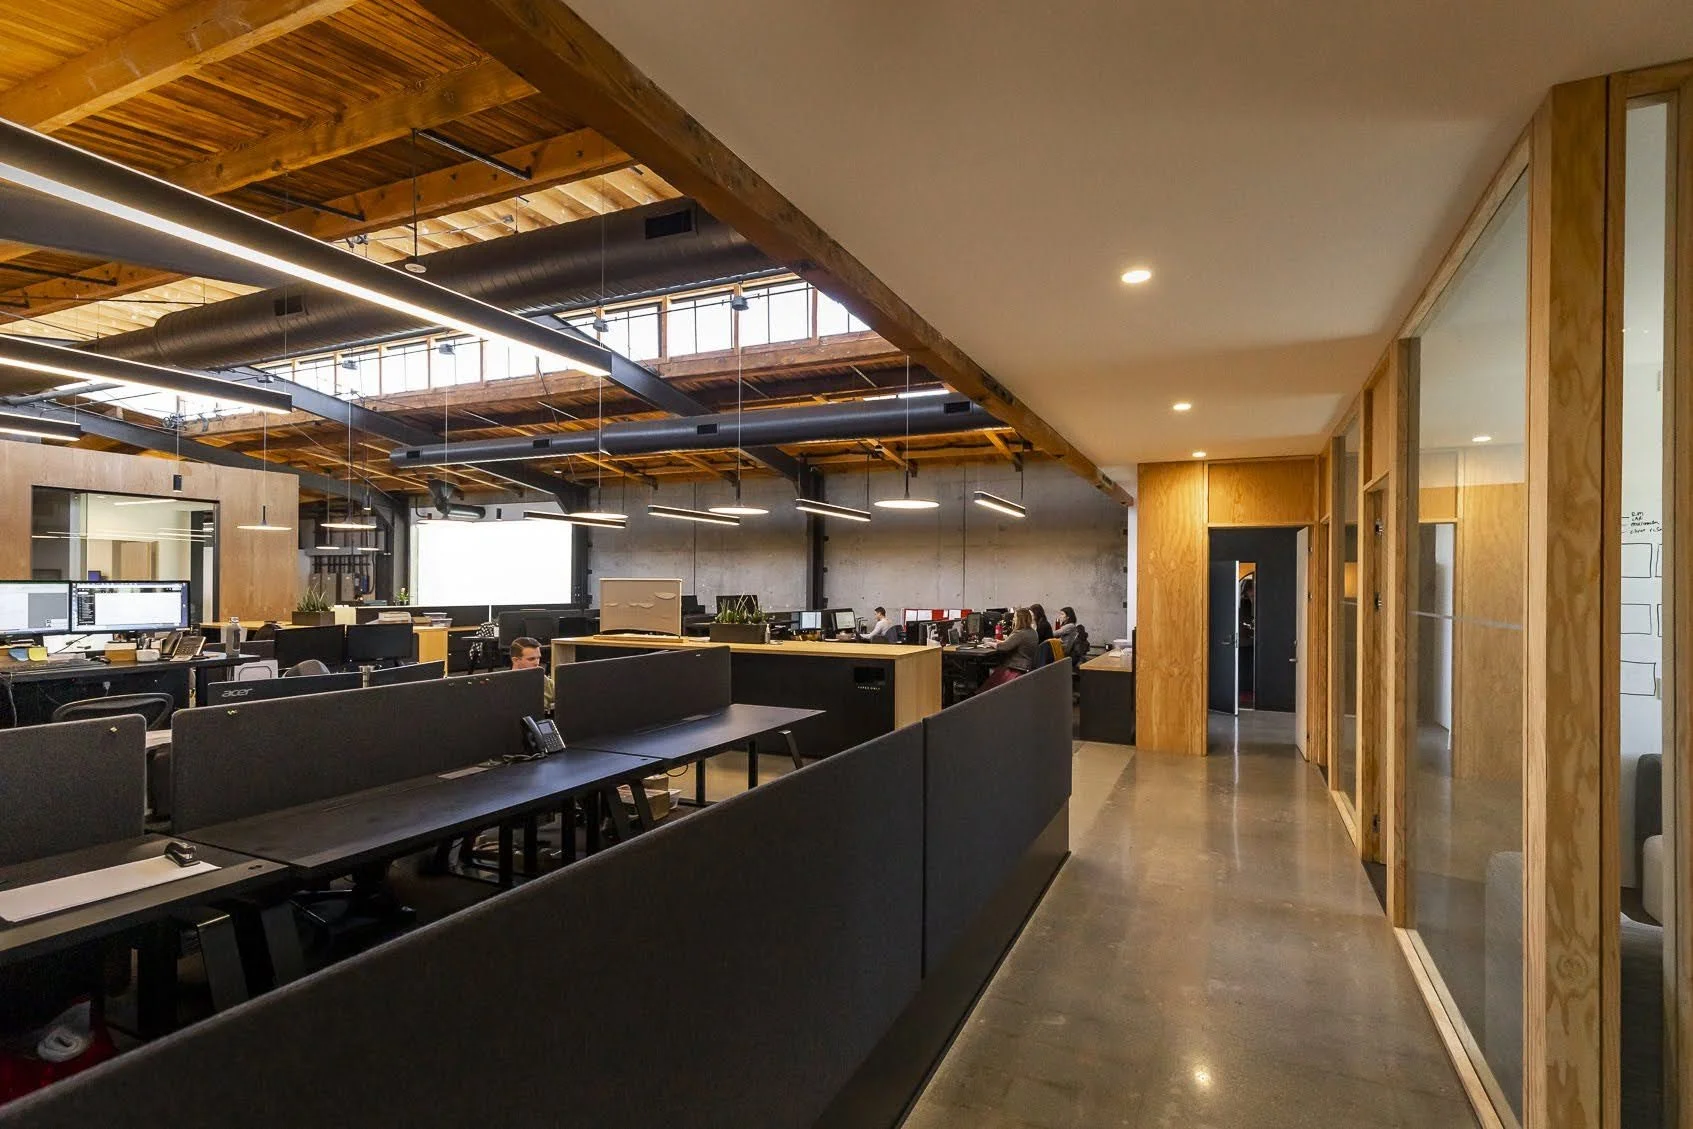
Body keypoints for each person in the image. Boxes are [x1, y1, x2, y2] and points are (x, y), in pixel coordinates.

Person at [986, 607, 1041, 683]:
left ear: (1019, 619)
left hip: (1016, 666)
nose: (1013, 619)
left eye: (1015, 617)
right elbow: (1010, 642)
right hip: (1027, 665)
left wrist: (988, 643)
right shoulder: (1033, 632)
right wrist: (997, 641)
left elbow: (1004, 647)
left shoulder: (1020, 633)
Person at [510, 636, 554, 714]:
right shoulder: (505, 684)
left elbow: (562, 694)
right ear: (515, 660)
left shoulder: (541, 678)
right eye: (531, 659)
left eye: (538, 658)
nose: (537, 663)